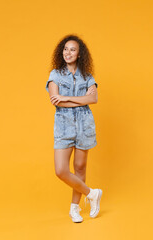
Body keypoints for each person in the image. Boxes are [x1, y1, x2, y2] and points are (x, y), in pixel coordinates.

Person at [45, 34, 103, 223]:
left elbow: (93, 99)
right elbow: (56, 102)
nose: (68, 52)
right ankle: (92, 193)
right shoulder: (55, 75)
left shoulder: (87, 76)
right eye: (65, 49)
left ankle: (74, 209)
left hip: (84, 125)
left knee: (79, 167)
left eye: (72, 49)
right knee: (61, 170)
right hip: (64, 126)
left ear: (79, 54)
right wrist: (78, 100)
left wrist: (67, 98)